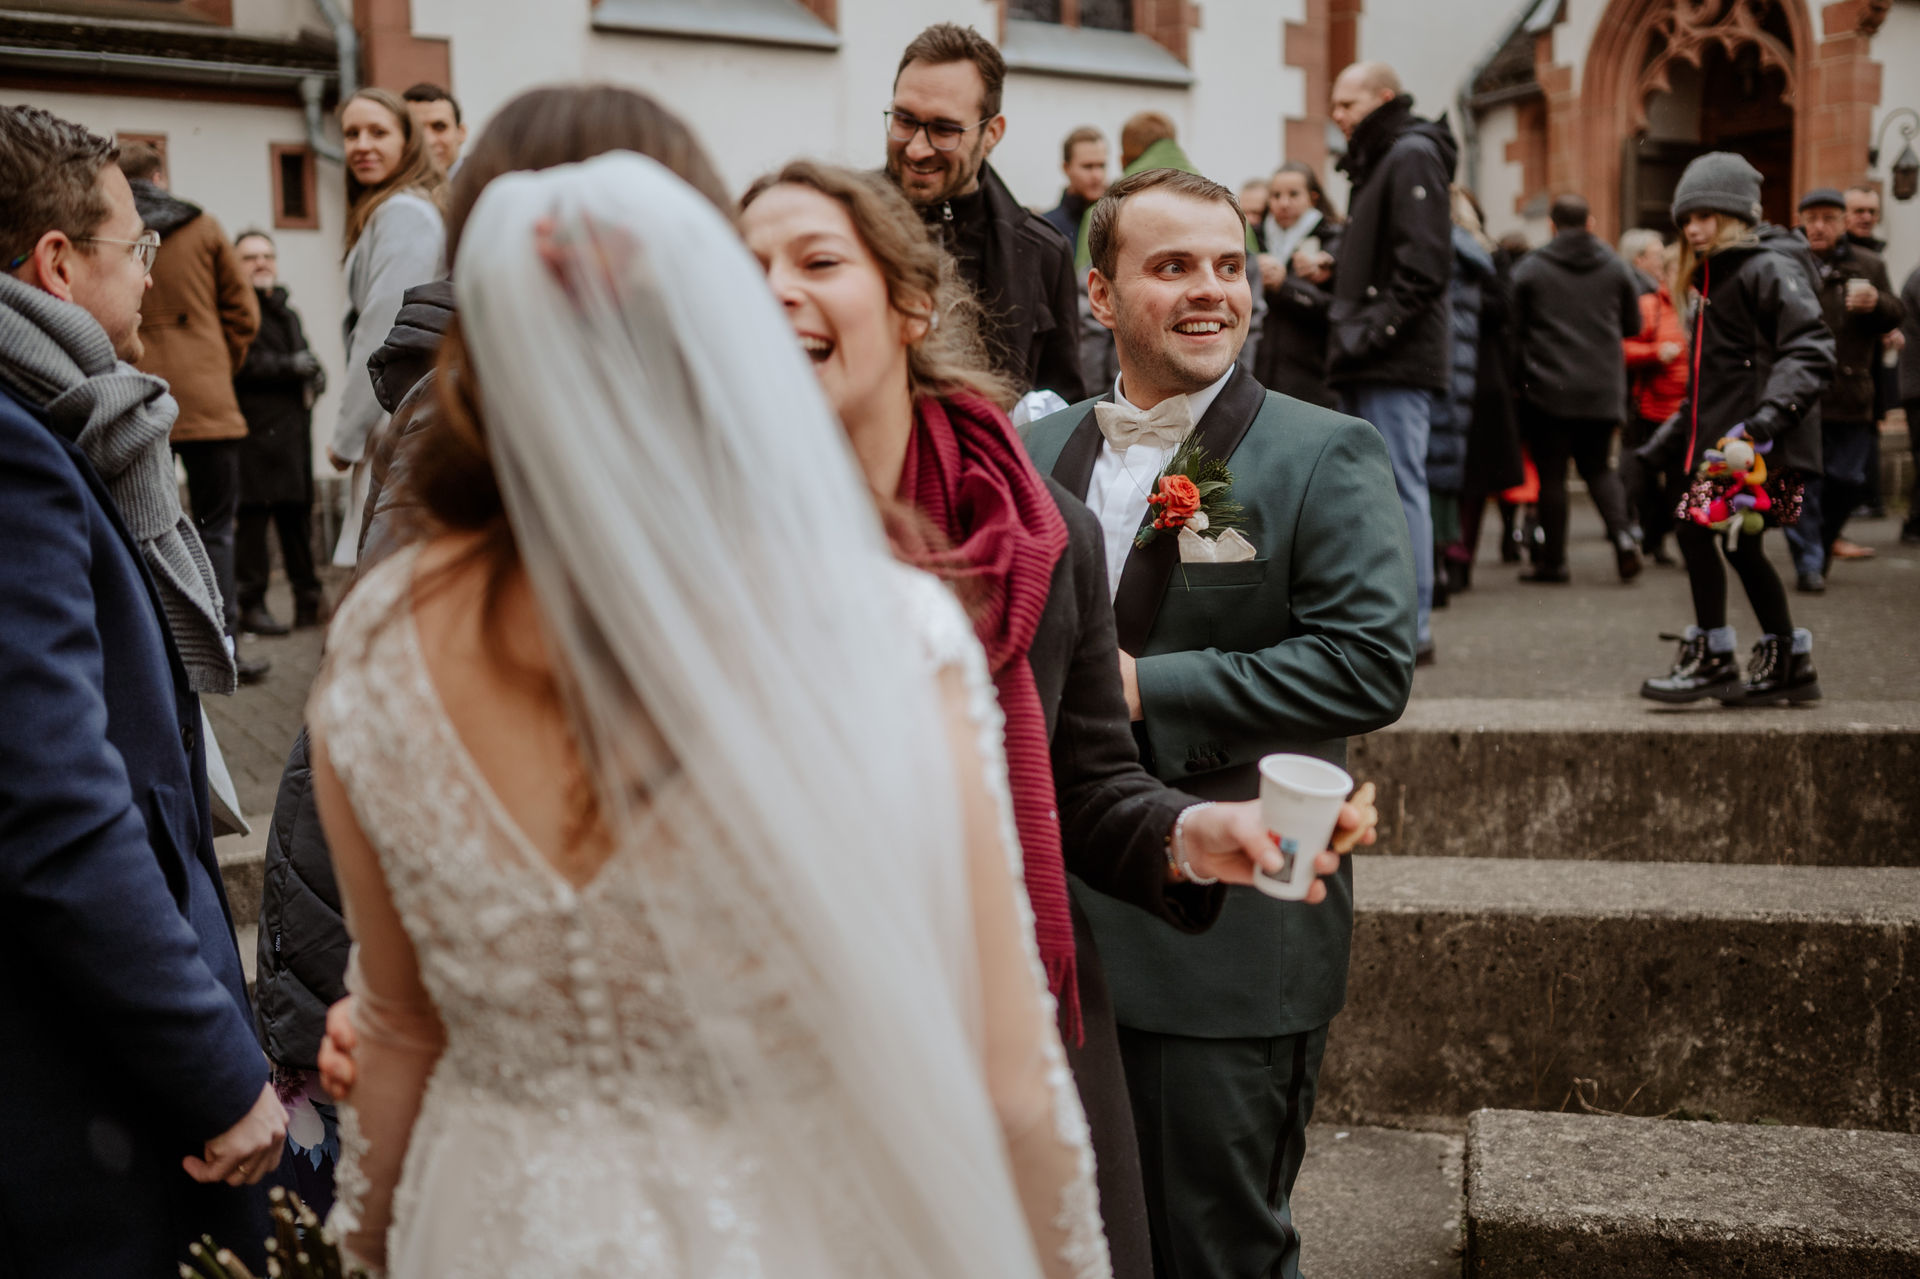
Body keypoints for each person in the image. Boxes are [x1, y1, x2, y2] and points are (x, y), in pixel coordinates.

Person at [311, 142, 1120, 1278]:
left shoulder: (380, 643)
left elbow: (398, 1027)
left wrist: (362, 1250)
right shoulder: (880, 630)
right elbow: (1005, 1077)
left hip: (486, 1225)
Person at [738, 159, 1375, 1279]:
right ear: (1099, 294)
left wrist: (1190, 820)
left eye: (818, 260)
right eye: (745, 270)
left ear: (911, 303)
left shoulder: (1039, 521)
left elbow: (1087, 773)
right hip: (792, 1000)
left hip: (1043, 979)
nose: (777, 289)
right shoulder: (694, 525)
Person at [1024, 167, 1416, 1279]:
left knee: (1213, 1252)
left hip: (1221, 945)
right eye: (1172, 266)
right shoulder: (1039, 454)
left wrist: (1143, 687)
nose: (1212, 290)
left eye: (1229, 266)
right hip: (1050, 933)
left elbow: (1368, 663)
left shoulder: (1322, 450)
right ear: (1100, 295)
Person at [0, 104, 286, 1277]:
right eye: (135, 247)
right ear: (58, 263)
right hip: (78, 1072)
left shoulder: (52, 415)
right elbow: (55, 805)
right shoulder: (17, 450)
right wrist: (215, 1069)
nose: (151, 273)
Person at [1640, 152, 1833, 706]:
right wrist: (1658, 448)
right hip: (1741, 444)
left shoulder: (1765, 267)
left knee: (1697, 532)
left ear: (1737, 215)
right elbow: (1711, 385)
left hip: (1762, 446)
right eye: (1686, 219)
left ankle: (1719, 659)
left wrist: (1766, 420)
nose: (1693, 228)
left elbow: (1811, 348)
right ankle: (1787, 663)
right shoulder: (1716, 277)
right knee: (1733, 545)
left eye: (1706, 215)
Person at [119, 143, 269, 683]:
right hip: (206, 397)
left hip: (135, 389)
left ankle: (155, 652)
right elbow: (244, 312)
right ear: (159, 176)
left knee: (141, 525)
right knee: (217, 528)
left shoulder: (112, 229)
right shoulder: (203, 227)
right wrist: (216, 363)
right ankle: (223, 646)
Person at [1326, 60, 1457, 665]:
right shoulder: (1383, 158)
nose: (1336, 115)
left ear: (1383, 98)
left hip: (1393, 358)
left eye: (1346, 104)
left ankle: (1414, 627)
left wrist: (1367, 333)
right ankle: (1389, 621)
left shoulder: (1408, 155)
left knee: (1400, 487)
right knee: (1378, 489)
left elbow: (1425, 267)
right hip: (1377, 354)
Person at [885, 23, 1086, 402]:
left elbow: (1062, 412)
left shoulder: (1045, 253)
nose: (916, 148)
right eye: (904, 120)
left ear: (992, 133)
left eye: (944, 129)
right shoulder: (842, 223)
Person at [326, 87, 444, 568]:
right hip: (399, 412)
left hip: (393, 415)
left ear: (407, 142)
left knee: (383, 566)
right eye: (351, 134)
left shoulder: (403, 212)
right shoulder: (393, 208)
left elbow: (383, 326)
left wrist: (346, 435)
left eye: (378, 132)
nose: (362, 145)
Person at [1510, 193, 1645, 583]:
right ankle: (1623, 538)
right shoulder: (1616, 266)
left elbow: (1513, 330)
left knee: (1552, 476)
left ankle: (1554, 562)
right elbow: (1633, 326)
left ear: (1551, 225)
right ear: (1591, 223)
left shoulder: (1531, 268)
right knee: (1599, 468)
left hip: (1549, 389)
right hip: (1603, 388)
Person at [1784, 188, 1904, 591]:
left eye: (1828, 218)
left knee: (1848, 480)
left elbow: (1896, 314)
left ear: (1842, 223)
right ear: (1801, 221)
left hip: (1851, 393)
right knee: (1799, 482)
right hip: (1798, 394)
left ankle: (1819, 546)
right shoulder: (1784, 263)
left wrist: (1878, 304)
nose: (1819, 226)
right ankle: (1807, 563)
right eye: (1811, 218)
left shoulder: (1868, 264)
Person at [232, 229, 326, 634]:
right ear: (236, 266)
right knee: (253, 525)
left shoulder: (288, 312)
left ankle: (309, 603)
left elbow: (304, 357)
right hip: (253, 436)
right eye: (250, 257)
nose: (261, 263)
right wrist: (290, 366)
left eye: (267, 256)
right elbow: (239, 363)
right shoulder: (234, 309)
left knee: (297, 522)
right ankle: (251, 606)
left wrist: (316, 375)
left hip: (291, 436)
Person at [1429, 186, 1498, 604]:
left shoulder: (1443, 250)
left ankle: (1434, 568)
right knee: (1444, 470)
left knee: (1430, 468)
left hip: (1439, 368)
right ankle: (1444, 564)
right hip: (1461, 373)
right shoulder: (1471, 252)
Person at [1619, 240, 1690, 566]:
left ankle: (1684, 545)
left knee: (1681, 484)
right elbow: (1623, 348)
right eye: (1676, 269)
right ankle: (1654, 535)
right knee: (1643, 484)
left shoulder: (1702, 306)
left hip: (1687, 413)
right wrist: (1654, 353)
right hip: (1651, 411)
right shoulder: (1650, 306)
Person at [1253, 161, 1341, 408]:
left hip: (1311, 375)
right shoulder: (1254, 238)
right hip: (1258, 372)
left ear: (1313, 198)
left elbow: (1335, 308)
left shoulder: (1332, 240)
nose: (1283, 203)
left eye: (1293, 194)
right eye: (1276, 195)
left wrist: (1284, 286)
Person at [1844, 183, 1897, 528]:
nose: (1866, 217)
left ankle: (1869, 498)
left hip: (1869, 364)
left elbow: (1891, 306)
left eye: (1872, 211)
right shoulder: (1834, 255)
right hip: (1837, 366)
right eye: (1859, 211)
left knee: (1869, 426)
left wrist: (1888, 322)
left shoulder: (1875, 256)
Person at [1045, 125, 1108, 243]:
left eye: (1101, 166)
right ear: (1066, 168)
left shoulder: (1117, 223)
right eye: (1087, 166)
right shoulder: (1048, 229)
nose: (1097, 175)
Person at [402, 81, 467, 174]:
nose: (429, 141)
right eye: (416, 130)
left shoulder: (485, 180)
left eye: (440, 127)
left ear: (461, 132)